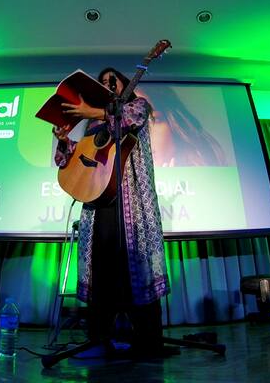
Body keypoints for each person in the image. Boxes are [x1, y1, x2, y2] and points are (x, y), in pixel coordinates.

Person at [53, 67, 170, 357]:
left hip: (132, 205)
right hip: (98, 205)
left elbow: (128, 120)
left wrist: (92, 112)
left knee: (136, 269)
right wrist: (64, 140)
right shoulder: (94, 125)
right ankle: (99, 339)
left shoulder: (137, 106)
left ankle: (148, 342)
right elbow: (73, 159)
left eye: (112, 81)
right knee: (101, 270)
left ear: (123, 84)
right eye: (103, 82)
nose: (108, 85)